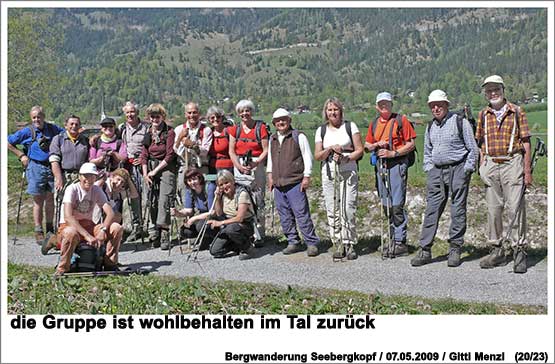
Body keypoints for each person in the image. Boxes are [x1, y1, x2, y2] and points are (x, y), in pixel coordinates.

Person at [411, 90, 479, 267]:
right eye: (432, 105)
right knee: (432, 209)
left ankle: (455, 248)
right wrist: (429, 168)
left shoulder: (459, 122)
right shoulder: (430, 126)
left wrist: (467, 169)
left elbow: (473, 148)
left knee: (458, 209)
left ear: (446, 105)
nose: (435, 108)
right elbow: (427, 150)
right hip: (437, 171)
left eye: (439, 104)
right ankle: (425, 249)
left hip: (458, 168)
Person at [476, 75, 532, 273]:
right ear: (485, 93)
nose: (493, 93)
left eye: (496, 89)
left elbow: (526, 142)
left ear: (503, 90)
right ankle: (497, 250)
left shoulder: (516, 111)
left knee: (515, 207)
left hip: (512, 161)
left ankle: (519, 250)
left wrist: (527, 170)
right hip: (491, 163)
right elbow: (480, 141)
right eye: (489, 90)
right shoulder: (483, 114)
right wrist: (482, 163)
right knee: (493, 209)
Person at [364, 92, 416, 258]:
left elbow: (411, 144)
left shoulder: (401, 120)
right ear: (377, 106)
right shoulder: (374, 124)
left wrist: (393, 153)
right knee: (385, 204)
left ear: (391, 104)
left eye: (386, 103)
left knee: (397, 204)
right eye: (381, 104)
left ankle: (400, 241)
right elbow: (366, 144)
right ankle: (392, 237)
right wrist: (376, 145)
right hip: (380, 166)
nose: (383, 106)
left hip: (397, 165)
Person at [314, 97, 364, 260]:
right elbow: (317, 155)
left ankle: (349, 242)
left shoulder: (350, 126)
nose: (333, 112)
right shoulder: (321, 131)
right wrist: (329, 150)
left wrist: (346, 157)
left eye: (335, 109)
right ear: (325, 112)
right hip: (329, 173)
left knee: (348, 208)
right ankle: (338, 243)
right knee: (332, 208)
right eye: (329, 110)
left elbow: (359, 150)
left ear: (341, 111)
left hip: (348, 171)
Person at [53, 163, 123, 277]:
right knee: (70, 233)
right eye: (86, 176)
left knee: (116, 228)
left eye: (92, 176)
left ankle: (110, 264)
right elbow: (68, 216)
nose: (89, 179)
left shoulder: (96, 189)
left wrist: (103, 230)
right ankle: (63, 268)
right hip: (69, 225)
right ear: (80, 176)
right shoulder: (72, 189)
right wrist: (87, 235)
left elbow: (110, 212)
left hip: (89, 225)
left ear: (95, 177)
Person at [266, 108, 320, 257]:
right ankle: (292, 241)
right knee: (284, 215)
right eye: (278, 121)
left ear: (289, 121)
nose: (281, 122)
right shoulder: (272, 139)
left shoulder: (298, 136)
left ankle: (311, 243)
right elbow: (270, 159)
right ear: (274, 123)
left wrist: (307, 176)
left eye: (284, 119)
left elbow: (307, 157)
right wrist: (270, 176)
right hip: (278, 183)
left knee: (301, 213)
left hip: (295, 181)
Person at [8, 106, 64, 244]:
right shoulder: (27, 131)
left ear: (43, 116)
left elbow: (67, 133)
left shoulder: (53, 129)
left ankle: (50, 229)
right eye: (34, 117)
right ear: (31, 118)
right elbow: (8, 142)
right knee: (38, 200)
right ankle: (38, 230)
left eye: (39, 117)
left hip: (52, 166)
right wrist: (21, 155)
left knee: (51, 199)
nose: (36, 119)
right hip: (35, 167)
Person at [228, 99, 269, 244]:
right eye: (242, 111)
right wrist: (238, 166)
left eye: (247, 110)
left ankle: (260, 234)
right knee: (242, 198)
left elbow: (266, 149)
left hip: (256, 165)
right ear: (238, 114)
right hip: (239, 166)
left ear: (251, 112)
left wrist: (256, 162)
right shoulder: (235, 130)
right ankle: (245, 232)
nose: (245, 113)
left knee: (258, 199)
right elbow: (231, 151)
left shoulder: (260, 128)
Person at [140, 103, 177, 250]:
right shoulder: (148, 132)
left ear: (163, 116)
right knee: (152, 201)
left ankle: (165, 232)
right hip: (150, 168)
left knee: (164, 200)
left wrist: (155, 172)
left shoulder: (169, 132)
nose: (155, 119)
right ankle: (155, 229)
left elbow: (169, 155)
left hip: (166, 168)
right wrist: (145, 174)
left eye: (157, 116)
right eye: (152, 116)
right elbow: (144, 154)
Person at [49, 115, 90, 228]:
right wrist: (58, 178)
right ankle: (59, 232)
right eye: (71, 124)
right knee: (61, 204)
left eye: (76, 124)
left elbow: (88, 160)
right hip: (64, 175)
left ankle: (78, 232)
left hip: (80, 177)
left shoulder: (85, 140)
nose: (74, 126)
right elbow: (54, 160)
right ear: (66, 125)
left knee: (80, 204)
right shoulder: (58, 139)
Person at [206, 170, 256, 260]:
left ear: (232, 181)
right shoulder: (223, 195)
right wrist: (217, 198)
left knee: (231, 229)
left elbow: (240, 218)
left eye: (226, 182)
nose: (224, 186)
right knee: (215, 251)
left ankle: (247, 248)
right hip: (228, 224)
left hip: (244, 224)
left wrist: (220, 223)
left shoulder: (242, 194)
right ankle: (237, 245)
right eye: (221, 185)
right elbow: (219, 213)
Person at [119, 101, 150, 242]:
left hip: (143, 165)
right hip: (129, 167)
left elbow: (149, 146)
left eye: (132, 112)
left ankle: (149, 227)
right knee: (133, 197)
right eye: (127, 112)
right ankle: (136, 227)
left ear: (137, 113)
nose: (130, 115)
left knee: (147, 197)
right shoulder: (122, 129)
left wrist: (143, 159)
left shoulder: (146, 127)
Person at [171, 168, 216, 250]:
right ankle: (207, 238)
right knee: (185, 231)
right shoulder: (190, 190)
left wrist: (194, 218)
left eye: (194, 179)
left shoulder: (210, 187)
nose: (192, 183)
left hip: (215, 218)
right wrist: (177, 213)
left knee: (200, 226)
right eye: (189, 180)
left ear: (200, 178)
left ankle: (213, 237)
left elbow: (212, 212)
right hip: (203, 217)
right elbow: (188, 210)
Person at [174, 102, 213, 196]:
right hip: (185, 166)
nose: (192, 115)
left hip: (201, 167)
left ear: (199, 114)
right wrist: (180, 138)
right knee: (185, 194)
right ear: (185, 114)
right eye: (189, 113)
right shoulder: (179, 129)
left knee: (204, 194)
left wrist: (193, 146)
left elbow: (205, 151)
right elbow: (175, 149)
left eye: (194, 112)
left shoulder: (206, 130)